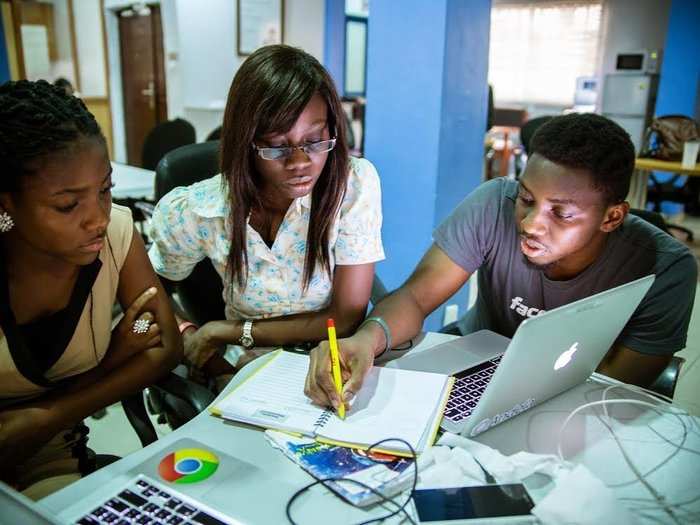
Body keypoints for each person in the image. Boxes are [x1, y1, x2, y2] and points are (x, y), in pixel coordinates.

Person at [305, 113, 697, 411]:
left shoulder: (666, 268)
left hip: (570, 398)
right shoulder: (494, 203)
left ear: (612, 217)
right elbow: (415, 298)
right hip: (473, 365)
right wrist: (365, 339)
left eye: (561, 214)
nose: (530, 224)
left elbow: (612, 390)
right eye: (527, 199)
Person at [148, 45, 384, 387]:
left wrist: (229, 331)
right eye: (277, 145)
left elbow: (345, 318)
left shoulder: (352, 185)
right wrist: (189, 334)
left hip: (329, 362)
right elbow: (147, 287)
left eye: (315, 139)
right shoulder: (206, 208)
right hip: (244, 371)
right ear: (246, 143)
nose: (301, 161)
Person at [0, 80, 182, 499]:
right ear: (6, 202)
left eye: (104, 190)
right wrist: (114, 359)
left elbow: (166, 345)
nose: (97, 218)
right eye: (68, 205)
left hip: (52, 454)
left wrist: (49, 418)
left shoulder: (116, 233)